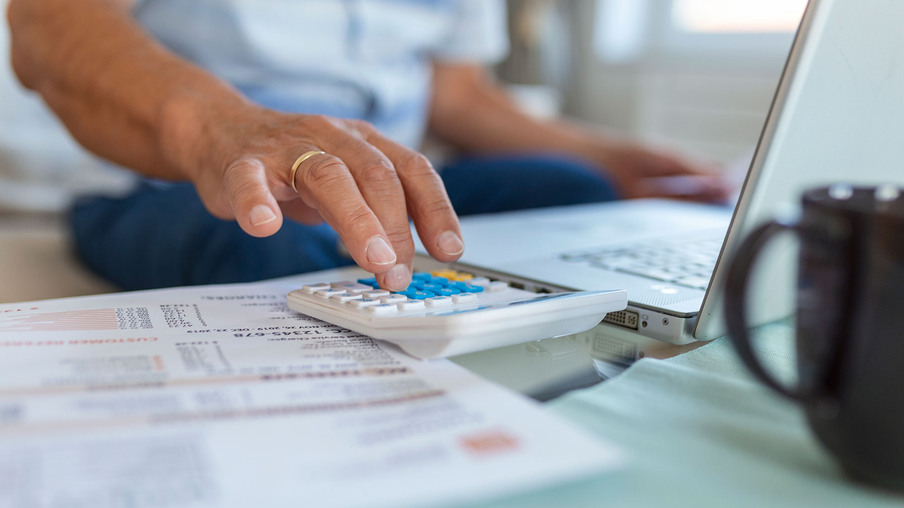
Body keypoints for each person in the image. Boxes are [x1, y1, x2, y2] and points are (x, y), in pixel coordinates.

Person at [7, 0, 726, 292]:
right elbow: (49, 30)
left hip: (382, 180)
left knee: (576, 189)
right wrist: (222, 130)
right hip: (172, 185)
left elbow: (460, 97)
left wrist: (616, 160)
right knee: (268, 239)